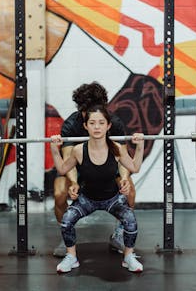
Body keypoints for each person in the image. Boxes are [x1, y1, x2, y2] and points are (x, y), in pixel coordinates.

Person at [50, 104, 145, 273]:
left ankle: (128, 257)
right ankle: (71, 257)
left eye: (101, 123)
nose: (97, 127)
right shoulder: (79, 150)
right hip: (87, 200)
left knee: (130, 221)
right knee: (66, 221)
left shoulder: (116, 148)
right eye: (92, 123)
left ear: (108, 125)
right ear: (85, 126)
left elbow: (135, 167)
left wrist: (139, 145)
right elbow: (63, 170)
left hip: (112, 200)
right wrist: (54, 150)